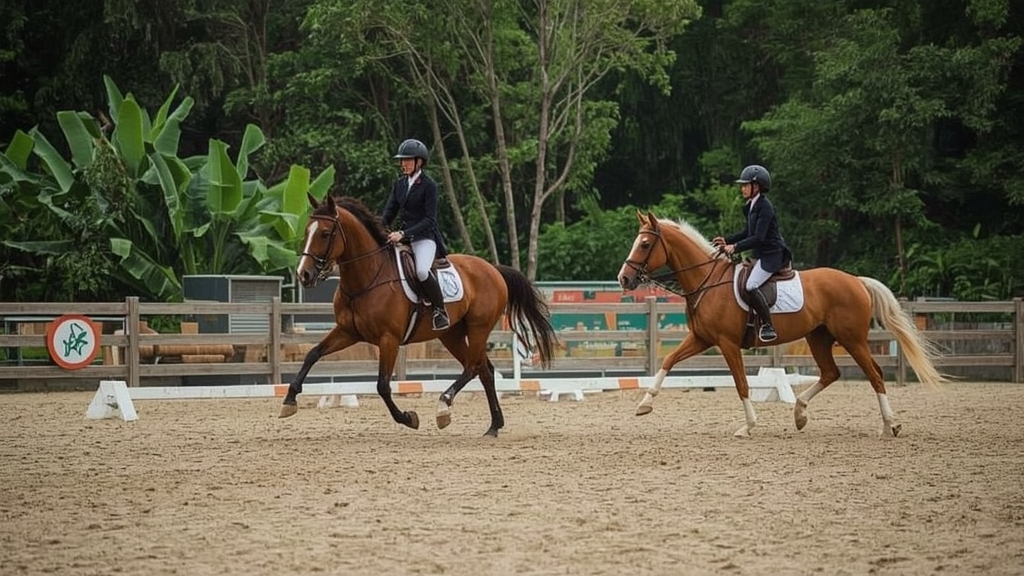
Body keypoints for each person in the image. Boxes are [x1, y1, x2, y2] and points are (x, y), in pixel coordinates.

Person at [712, 164, 791, 342]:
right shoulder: (751, 206)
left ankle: (768, 325)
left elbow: (759, 237)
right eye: (743, 185)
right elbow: (747, 232)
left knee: (751, 285)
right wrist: (728, 240)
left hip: (772, 255)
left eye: (746, 185)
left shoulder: (765, 207)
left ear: (757, 186)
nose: (743, 188)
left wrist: (736, 247)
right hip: (761, 254)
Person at [381, 138, 451, 330]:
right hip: (402, 239)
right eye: (401, 160)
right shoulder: (400, 184)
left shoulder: (429, 186)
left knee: (421, 271)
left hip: (424, 238)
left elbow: (430, 219)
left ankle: (439, 311)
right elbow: (389, 212)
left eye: (407, 160)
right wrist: (378, 228)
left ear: (419, 162)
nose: (403, 164)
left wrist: (403, 233)